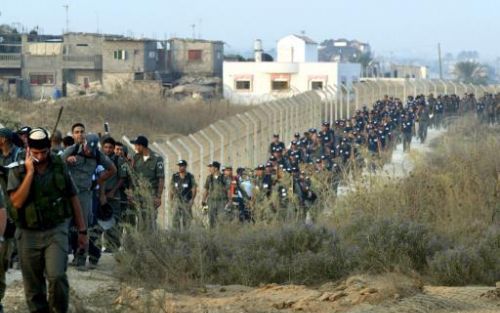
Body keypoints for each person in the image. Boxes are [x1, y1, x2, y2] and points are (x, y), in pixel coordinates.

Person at [8, 128, 88, 313]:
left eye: (44, 152)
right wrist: (29, 173)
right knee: (33, 286)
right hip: (28, 234)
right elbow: (17, 201)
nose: (41, 157)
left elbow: (73, 197)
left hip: (55, 230)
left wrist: (83, 231)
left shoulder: (59, 166)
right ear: (28, 150)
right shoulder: (18, 170)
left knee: (57, 276)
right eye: (36, 153)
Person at [62, 124, 116, 270]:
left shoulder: (98, 155)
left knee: (83, 227)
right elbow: (56, 165)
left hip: (85, 195)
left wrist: (98, 181)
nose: (88, 151)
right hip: (68, 194)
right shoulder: (71, 150)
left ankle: (81, 257)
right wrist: (67, 161)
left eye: (90, 150)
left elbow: (112, 169)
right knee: (64, 225)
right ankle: (61, 257)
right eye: (86, 148)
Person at [130, 135, 164, 229]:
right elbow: (132, 177)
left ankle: (151, 242)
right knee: (140, 223)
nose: (135, 148)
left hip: (151, 196)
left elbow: (161, 178)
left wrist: (158, 197)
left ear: (141, 146)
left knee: (150, 222)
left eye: (136, 145)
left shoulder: (157, 159)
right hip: (138, 196)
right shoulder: (136, 158)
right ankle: (142, 243)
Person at [169, 160, 197, 231]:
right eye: (179, 166)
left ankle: (186, 235)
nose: (180, 167)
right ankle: (176, 235)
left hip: (186, 201)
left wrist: (192, 200)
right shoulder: (175, 176)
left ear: (185, 166)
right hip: (177, 201)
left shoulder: (190, 176)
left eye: (182, 166)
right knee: (175, 220)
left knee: (187, 220)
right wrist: (171, 201)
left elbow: (194, 188)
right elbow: (171, 189)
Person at [202, 161, 227, 228]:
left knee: (221, 220)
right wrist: (203, 201)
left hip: (221, 202)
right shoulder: (209, 178)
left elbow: (228, 190)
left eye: (211, 167)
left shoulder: (223, 178)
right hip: (211, 202)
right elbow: (206, 190)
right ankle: (212, 236)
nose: (210, 169)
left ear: (216, 168)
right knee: (211, 221)